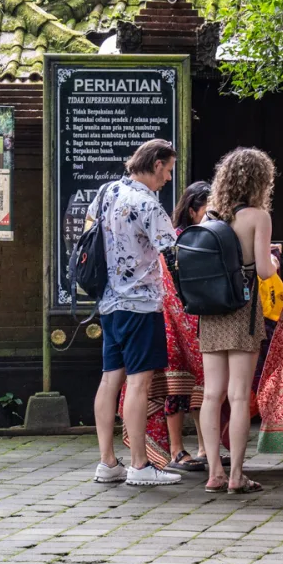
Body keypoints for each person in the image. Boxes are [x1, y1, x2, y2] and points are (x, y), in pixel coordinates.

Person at [89, 139, 182, 487]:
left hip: (109, 302)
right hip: (141, 303)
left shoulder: (106, 192)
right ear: (156, 163)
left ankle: (107, 462)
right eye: (169, 169)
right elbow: (172, 253)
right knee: (139, 383)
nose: (168, 178)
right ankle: (140, 466)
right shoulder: (147, 203)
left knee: (109, 378)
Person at [199, 148, 280, 495]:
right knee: (239, 395)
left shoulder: (208, 217)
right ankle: (236, 477)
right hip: (244, 310)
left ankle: (214, 472)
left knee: (211, 394)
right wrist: (274, 260)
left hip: (211, 310)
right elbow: (263, 271)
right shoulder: (258, 218)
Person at [162, 181, 211, 472]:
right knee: (176, 386)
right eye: (207, 211)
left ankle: (205, 447)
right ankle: (177, 449)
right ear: (193, 210)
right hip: (175, 323)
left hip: (199, 320)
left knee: (202, 388)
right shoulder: (175, 240)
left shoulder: (202, 237)